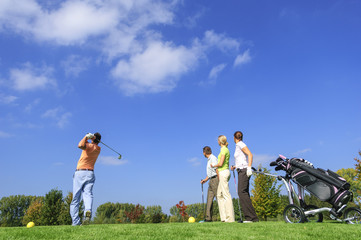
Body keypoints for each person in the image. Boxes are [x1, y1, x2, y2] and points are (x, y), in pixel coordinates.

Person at [70, 132, 101, 226]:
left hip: (80, 172)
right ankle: (87, 211)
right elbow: (85, 145)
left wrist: (86, 136)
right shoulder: (98, 149)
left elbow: (80, 145)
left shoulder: (89, 146)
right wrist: (90, 138)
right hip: (90, 173)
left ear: (93, 138)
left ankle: (75, 222)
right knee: (88, 195)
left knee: (76, 198)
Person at [231, 131, 259, 223]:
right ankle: (252, 218)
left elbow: (250, 154)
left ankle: (250, 218)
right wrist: (236, 166)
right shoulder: (238, 145)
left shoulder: (240, 144)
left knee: (241, 192)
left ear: (234, 137)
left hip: (244, 170)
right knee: (244, 192)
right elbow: (241, 159)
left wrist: (249, 167)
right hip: (241, 169)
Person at [211, 135, 235, 222]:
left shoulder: (224, 149)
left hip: (223, 172)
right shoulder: (223, 149)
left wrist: (213, 165)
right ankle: (224, 218)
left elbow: (220, 163)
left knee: (225, 195)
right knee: (219, 195)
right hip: (223, 172)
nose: (217, 141)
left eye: (218, 140)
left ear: (220, 141)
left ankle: (230, 218)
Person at [200, 146, 219, 222]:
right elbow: (210, 172)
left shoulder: (213, 158)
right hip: (211, 180)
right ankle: (208, 218)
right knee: (209, 199)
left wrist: (219, 180)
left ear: (204, 153)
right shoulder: (209, 160)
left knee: (219, 198)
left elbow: (217, 169)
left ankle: (224, 216)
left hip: (215, 180)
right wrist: (205, 180)